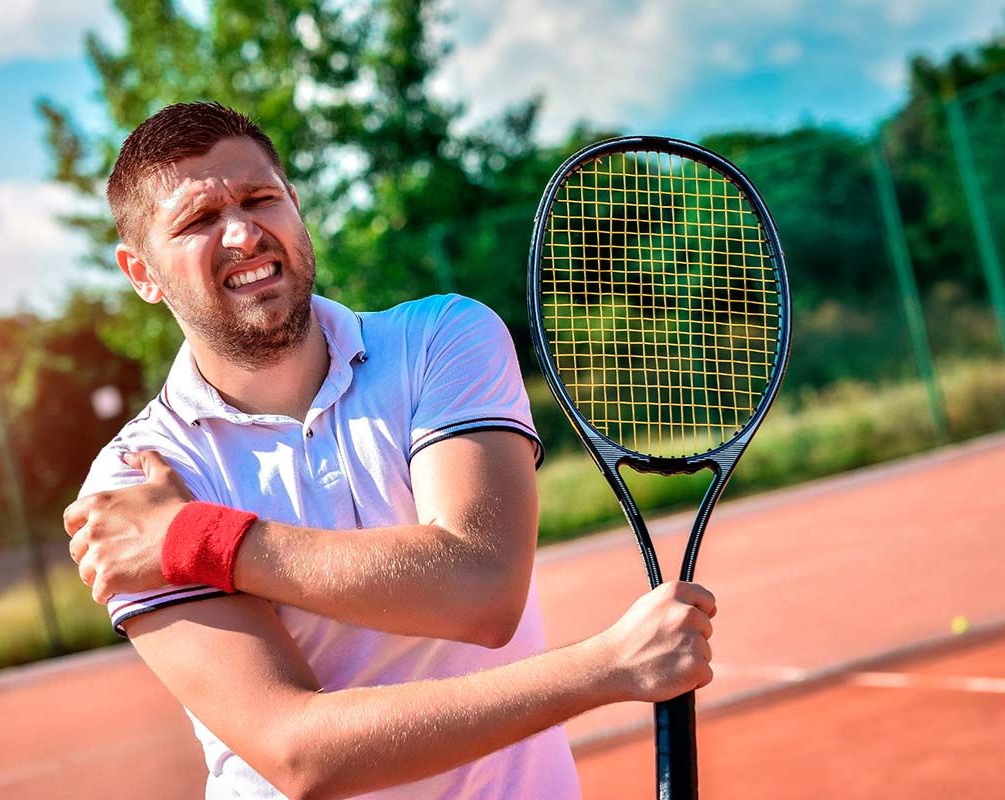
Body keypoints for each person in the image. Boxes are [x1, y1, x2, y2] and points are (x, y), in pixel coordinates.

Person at [63, 101, 715, 800]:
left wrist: (200, 539)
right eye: (197, 220)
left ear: (296, 206)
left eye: (261, 198)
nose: (244, 233)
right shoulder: (135, 485)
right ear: (141, 272)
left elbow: (481, 590)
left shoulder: (442, 338)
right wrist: (604, 668)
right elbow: (301, 753)